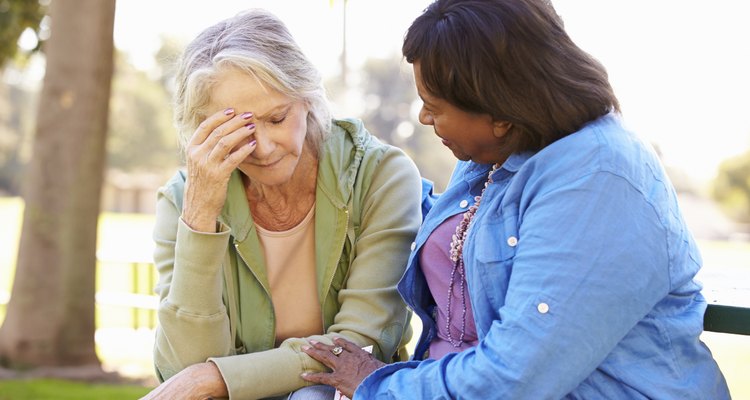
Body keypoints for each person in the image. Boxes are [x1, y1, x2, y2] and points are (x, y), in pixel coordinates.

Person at [301, 0, 731, 398]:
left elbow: (515, 376)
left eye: (435, 105)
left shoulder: (597, 177)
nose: (424, 117)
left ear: (500, 112)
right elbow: (453, 244)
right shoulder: (494, 156)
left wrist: (380, 388)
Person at [140, 8, 423, 400]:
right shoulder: (182, 201)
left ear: (307, 96)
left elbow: (357, 347)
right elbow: (182, 370)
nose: (265, 148)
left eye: (276, 118)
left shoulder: (380, 175)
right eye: (237, 129)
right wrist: (200, 216)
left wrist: (217, 379)